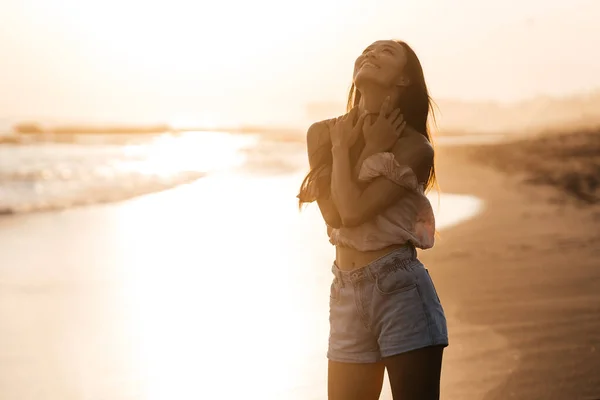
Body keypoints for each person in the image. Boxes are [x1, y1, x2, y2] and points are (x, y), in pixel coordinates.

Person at [297, 40, 448, 400]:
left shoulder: (415, 148)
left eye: (385, 53)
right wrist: (351, 146)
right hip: (345, 292)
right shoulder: (322, 133)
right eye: (367, 51)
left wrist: (362, 149)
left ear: (404, 80)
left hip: (401, 292)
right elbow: (334, 214)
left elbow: (352, 212)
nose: (370, 55)